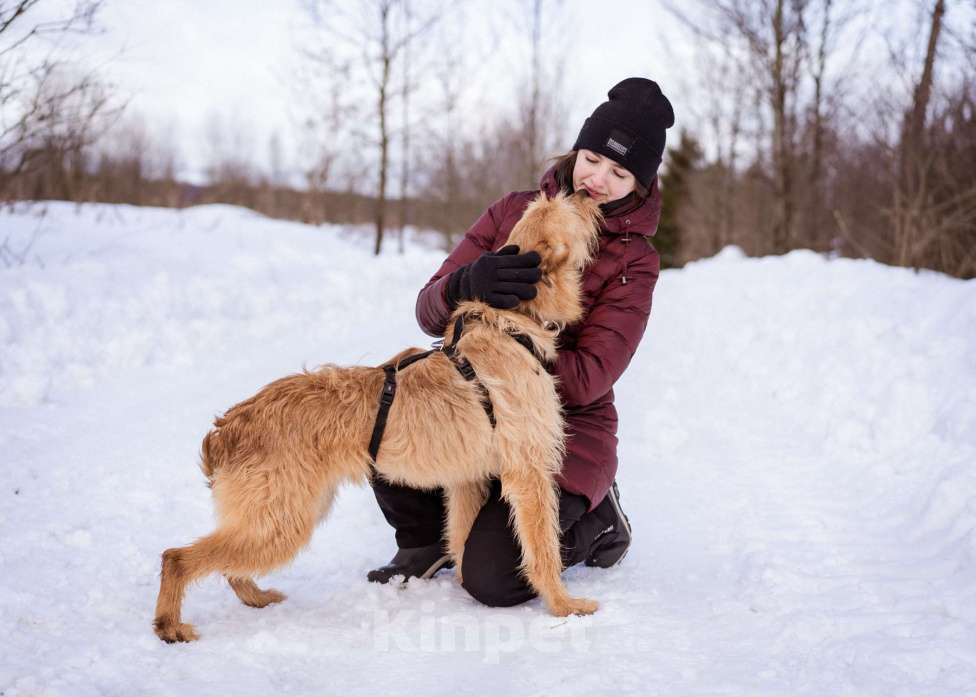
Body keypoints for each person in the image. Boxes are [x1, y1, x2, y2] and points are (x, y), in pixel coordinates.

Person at [368, 77, 675, 608]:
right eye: (592, 158)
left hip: (561, 426)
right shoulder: (512, 210)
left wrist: (510, 335)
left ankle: (598, 524)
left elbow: (588, 378)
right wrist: (466, 285)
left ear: (640, 184)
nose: (598, 179)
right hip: (472, 401)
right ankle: (425, 542)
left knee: (493, 579)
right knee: (382, 405)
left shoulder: (634, 260)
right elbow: (427, 311)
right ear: (576, 150)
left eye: (620, 172)